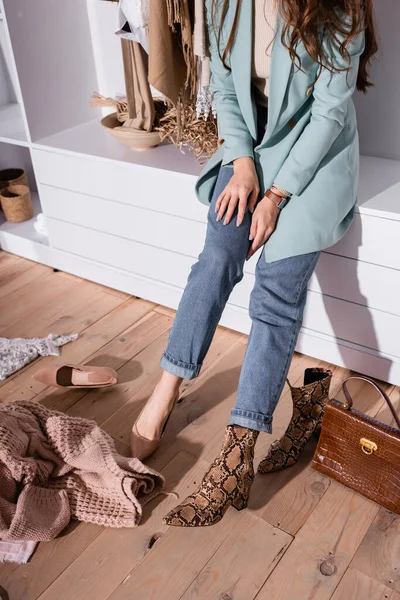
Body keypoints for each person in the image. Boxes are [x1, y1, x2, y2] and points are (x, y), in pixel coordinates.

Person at [131, 0, 378, 527]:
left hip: (317, 153)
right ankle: (167, 389)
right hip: (251, 145)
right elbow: (224, 84)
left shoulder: (339, 6)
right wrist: (242, 165)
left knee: (277, 287)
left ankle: (238, 450)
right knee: (218, 254)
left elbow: (332, 112)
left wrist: (276, 196)